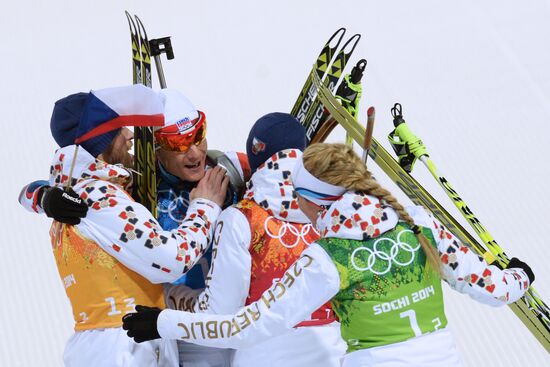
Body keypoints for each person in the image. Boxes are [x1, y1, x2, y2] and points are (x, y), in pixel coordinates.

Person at [123, 143, 535, 367]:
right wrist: (521, 277)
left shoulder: (328, 257)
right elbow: (491, 287)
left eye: (298, 199)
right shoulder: (418, 222)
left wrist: (166, 322)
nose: (296, 210)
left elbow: (246, 327)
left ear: (316, 202)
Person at [20, 88, 249, 367]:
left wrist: (40, 195)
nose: (193, 151)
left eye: (198, 134)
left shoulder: (102, 185)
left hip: (178, 328)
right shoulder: (113, 192)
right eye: (177, 143)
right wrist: (205, 205)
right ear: (155, 147)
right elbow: (169, 259)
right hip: (138, 339)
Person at [165, 113, 347, 367]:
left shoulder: (242, 218)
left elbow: (220, 314)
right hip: (332, 351)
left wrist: (175, 297)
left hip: (264, 354)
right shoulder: (336, 212)